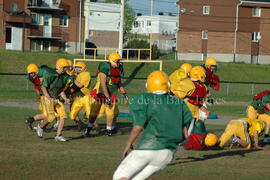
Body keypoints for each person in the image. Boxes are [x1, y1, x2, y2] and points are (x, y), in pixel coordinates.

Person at [113, 71, 192, 180]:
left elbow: (138, 127)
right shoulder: (178, 103)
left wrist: (129, 143)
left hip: (150, 146)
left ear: (149, 85)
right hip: (167, 155)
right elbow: (185, 133)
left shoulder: (144, 99)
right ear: (168, 85)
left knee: (119, 176)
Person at [35, 58, 82, 141]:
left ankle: (58, 136)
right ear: (59, 67)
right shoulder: (51, 74)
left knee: (63, 116)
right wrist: (48, 97)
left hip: (56, 98)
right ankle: (40, 126)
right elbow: (43, 86)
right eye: (64, 67)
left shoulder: (64, 77)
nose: (66, 69)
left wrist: (65, 98)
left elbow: (60, 90)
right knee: (51, 117)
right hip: (47, 97)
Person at [86, 52, 128, 136]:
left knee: (111, 112)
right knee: (94, 111)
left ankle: (109, 130)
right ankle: (89, 128)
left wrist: (124, 94)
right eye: (117, 60)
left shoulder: (118, 69)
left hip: (112, 91)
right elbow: (103, 84)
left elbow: (119, 83)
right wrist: (107, 97)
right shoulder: (105, 68)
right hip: (100, 91)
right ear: (112, 61)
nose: (119, 62)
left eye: (119, 60)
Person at [25, 64, 54, 130]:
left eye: (32, 73)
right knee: (48, 114)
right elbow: (39, 87)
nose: (31, 75)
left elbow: (37, 88)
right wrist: (40, 96)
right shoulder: (38, 78)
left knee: (47, 114)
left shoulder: (37, 77)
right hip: (44, 96)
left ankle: (33, 121)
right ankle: (40, 125)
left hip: (43, 96)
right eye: (30, 73)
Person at [69, 62, 91, 130]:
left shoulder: (86, 74)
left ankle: (97, 128)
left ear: (83, 68)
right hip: (76, 96)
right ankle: (79, 124)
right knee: (72, 112)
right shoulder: (76, 74)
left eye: (79, 67)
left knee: (89, 114)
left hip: (84, 96)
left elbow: (80, 85)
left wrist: (72, 78)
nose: (77, 69)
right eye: (76, 67)